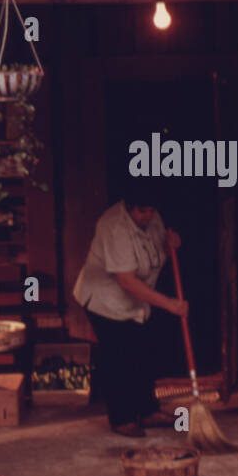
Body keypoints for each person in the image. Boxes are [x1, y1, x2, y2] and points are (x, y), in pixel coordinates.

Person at [73, 182, 186, 437]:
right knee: (119, 358)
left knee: (144, 352)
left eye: (150, 211)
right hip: (105, 300)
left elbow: (156, 251)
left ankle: (147, 410)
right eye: (141, 212)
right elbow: (126, 281)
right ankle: (122, 418)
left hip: (136, 301)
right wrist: (169, 304)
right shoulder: (114, 226)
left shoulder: (153, 218)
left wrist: (171, 245)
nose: (146, 217)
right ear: (129, 207)